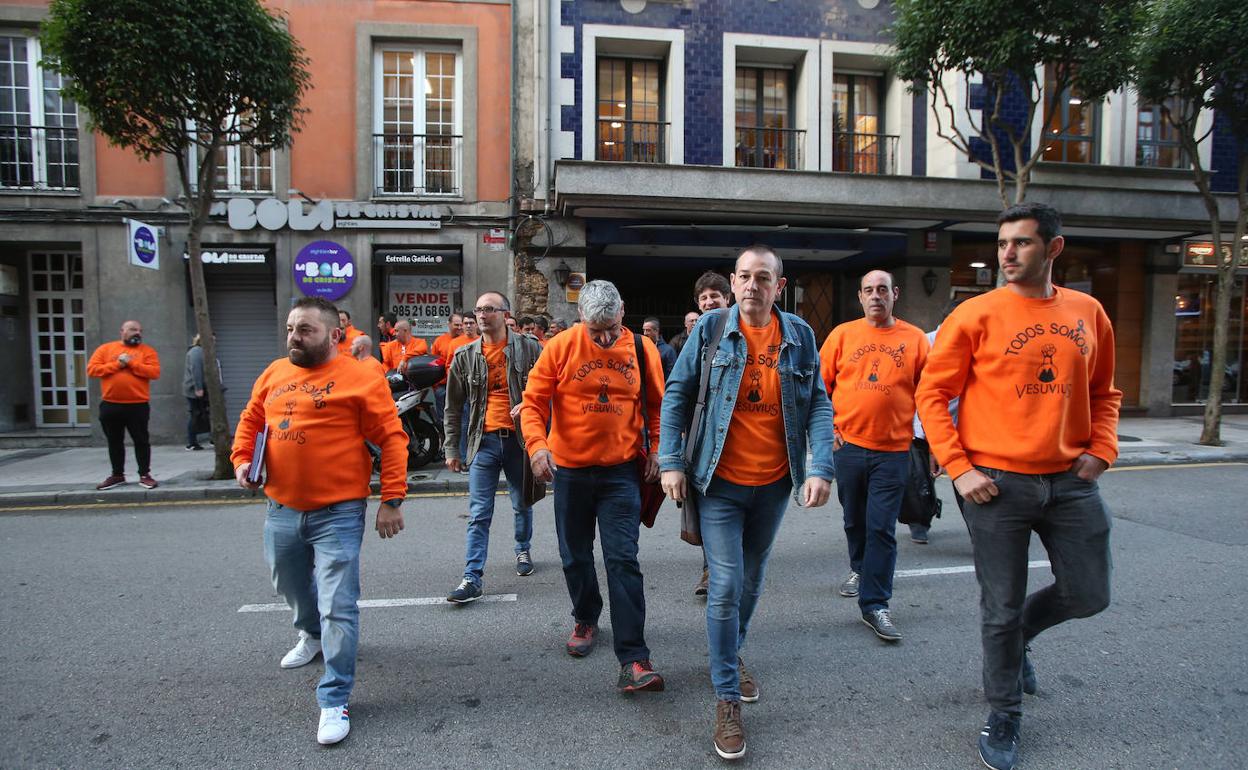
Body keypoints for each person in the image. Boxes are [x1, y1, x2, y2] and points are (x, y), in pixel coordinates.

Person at [916, 203, 1120, 770]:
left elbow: (1105, 392)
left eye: (1022, 243)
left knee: (1089, 593)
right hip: (995, 486)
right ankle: (1004, 710)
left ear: (1053, 248)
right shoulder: (974, 315)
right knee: (998, 608)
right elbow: (931, 396)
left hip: (1071, 481)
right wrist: (959, 467)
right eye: (1003, 242)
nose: (1007, 253)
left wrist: (1102, 449)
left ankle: (1022, 637)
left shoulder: (1088, 312)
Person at [658, 245, 833, 760]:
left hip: (775, 482)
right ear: (732, 284)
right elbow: (677, 395)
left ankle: (730, 656)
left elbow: (818, 402)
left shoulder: (799, 335)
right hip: (720, 481)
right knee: (727, 582)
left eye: (763, 277)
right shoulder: (710, 332)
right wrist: (670, 459)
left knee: (752, 583)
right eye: (744, 276)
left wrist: (819, 467)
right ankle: (726, 697)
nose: (752, 285)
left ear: (779, 285)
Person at [231, 297, 408, 746]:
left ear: (333, 335)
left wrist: (392, 498)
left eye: (305, 329)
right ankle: (310, 635)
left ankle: (334, 698)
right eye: (291, 328)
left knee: (339, 604)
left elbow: (391, 438)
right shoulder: (274, 373)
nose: (294, 336)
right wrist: (241, 460)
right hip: (281, 508)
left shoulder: (361, 377)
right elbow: (252, 420)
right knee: (287, 584)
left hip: (339, 511)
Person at [520, 280, 667, 694]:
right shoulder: (561, 346)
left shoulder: (642, 349)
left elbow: (656, 405)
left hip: (621, 472)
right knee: (574, 556)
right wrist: (537, 447)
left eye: (609, 328)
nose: (602, 338)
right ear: (581, 319)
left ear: (623, 310)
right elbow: (533, 403)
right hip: (570, 471)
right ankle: (586, 615)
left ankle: (635, 658)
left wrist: (656, 449)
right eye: (593, 330)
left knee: (623, 560)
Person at [820, 270, 929, 643]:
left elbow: (930, 395)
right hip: (848, 447)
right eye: (869, 290)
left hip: (893, 451)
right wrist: (828, 432)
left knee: (881, 526)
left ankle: (875, 604)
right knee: (854, 519)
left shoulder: (914, 339)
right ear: (860, 296)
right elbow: (820, 386)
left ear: (895, 294)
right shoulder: (842, 335)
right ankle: (859, 567)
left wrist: (932, 446)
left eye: (883, 289)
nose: (876, 296)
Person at [443, 292, 544, 602]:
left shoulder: (530, 348)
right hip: (482, 442)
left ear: (505, 313)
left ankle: (522, 549)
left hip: (518, 440)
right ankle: (472, 577)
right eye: (479, 310)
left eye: (489, 309)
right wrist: (451, 449)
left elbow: (551, 388)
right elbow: (452, 407)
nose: (482, 315)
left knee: (521, 502)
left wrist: (529, 405)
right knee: (478, 513)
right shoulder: (464, 356)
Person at [690, 278, 731, 597]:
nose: (708, 301)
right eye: (703, 297)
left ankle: (729, 566)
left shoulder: (738, 332)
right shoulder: (695, 337)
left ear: (727, 298)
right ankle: (710, 569)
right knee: (706, 505)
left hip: (737, 439)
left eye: (714, 296)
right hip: (702, 435)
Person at [87, 319, 161, 490]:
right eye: (133, 329)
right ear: (122, 331)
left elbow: (154, 372)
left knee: (141, 440)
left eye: (140, 330)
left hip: (137, 405)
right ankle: (117, 474)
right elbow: (92, 369)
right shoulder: (106, 349)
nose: (138, 333)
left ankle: (144, 474)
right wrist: (118, 365)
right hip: (111, 404)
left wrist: (131, 363)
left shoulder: (147, 351)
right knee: (114, 441)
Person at [431, 312, 465, 422]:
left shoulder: (467, 340)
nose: (460, 328)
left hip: (462, 386)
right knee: (444, 418)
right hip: (443, 386)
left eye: (461, 325)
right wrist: (435, 386)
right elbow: (433, 362)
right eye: (456, 325)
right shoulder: (439, 341)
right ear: (449, 324)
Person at [183, 334, 211, 450]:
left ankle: (211, 438)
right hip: (194, 390)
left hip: (198, 389)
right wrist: (198, 388)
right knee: (195, 414)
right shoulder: (197, 352)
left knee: (203, 413)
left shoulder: (201, 351)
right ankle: (191, 442)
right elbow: (196, 370)